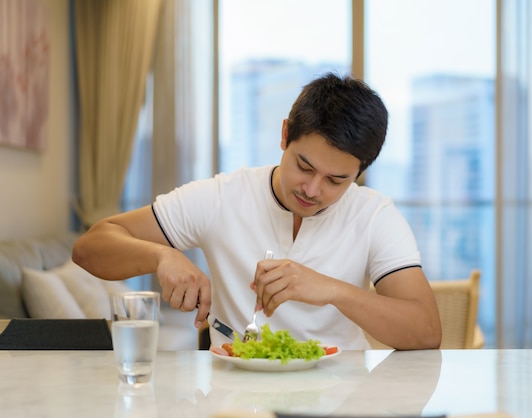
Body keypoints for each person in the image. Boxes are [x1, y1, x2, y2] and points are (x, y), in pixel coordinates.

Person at [72, 72, 442, 350]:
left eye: (336, 180)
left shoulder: (374, 214)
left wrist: (332, 290)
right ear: (285, 135)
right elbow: (90, 248)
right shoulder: (223, 196)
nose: (312, 190)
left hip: (340, 399)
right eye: (305, 166)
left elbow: (426, 331)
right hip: (234, 399)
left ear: (359, 172)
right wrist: (161, 256)